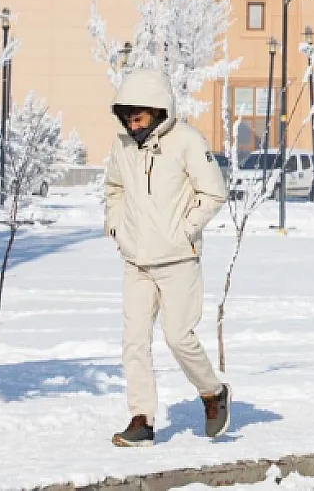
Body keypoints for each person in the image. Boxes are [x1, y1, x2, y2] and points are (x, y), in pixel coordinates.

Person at [105, 68, 230, 448]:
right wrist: (116, 227)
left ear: (159, 109)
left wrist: (184, 231)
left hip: (178, 260)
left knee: (178, 337)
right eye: (127, 114)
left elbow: (214, 194)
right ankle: (141, 419)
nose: (132, 120)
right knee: (134, 342)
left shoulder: (187, 140)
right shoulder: (122, 145)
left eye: (138, 113)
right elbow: (114, 189)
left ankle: (212, 393)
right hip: (136, 261)